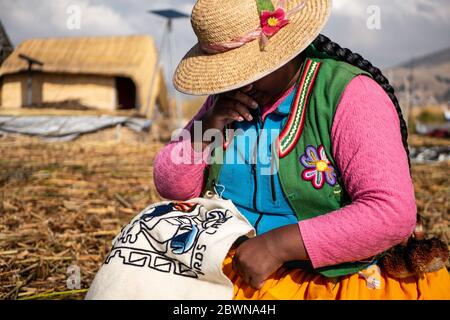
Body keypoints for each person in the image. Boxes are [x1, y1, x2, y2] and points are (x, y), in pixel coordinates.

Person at [153, 0, 450, 299]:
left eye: (245, 70)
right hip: (230, 269)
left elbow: (391, 212)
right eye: (228, 73)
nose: (237, 82)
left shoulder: (350, 95)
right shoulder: (226, 102)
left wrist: (278, 245)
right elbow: (172, 186)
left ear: (285, 50)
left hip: (331, 280)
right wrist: (207, 126)